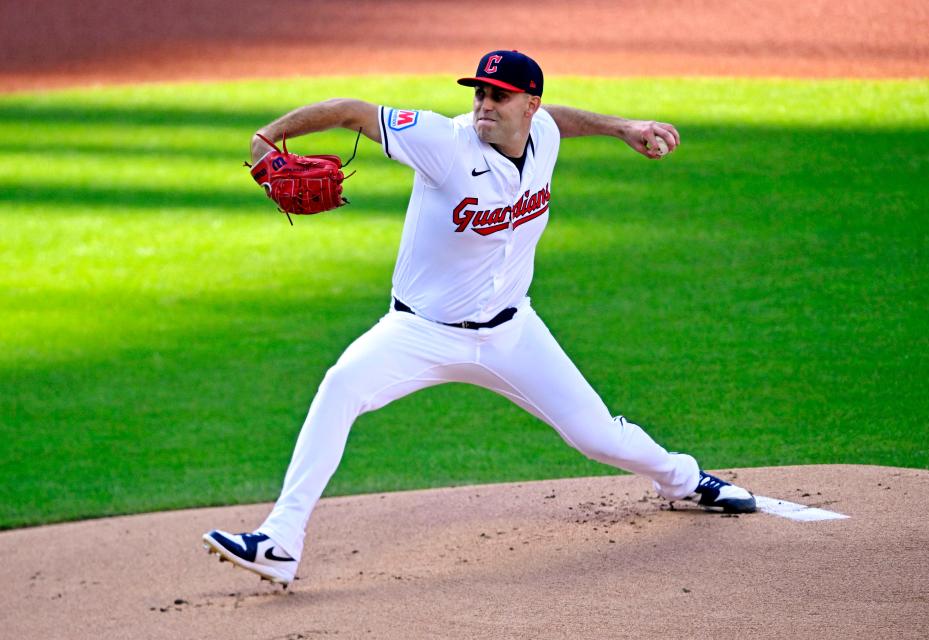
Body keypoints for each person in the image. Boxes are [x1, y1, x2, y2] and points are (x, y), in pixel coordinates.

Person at [203, 50, 756, 587]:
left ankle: (685, 480)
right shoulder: (441, 142)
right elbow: (351, 110)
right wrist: (267, 137)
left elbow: (560, 122)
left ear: (529, 105)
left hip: (512, 335)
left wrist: (621, 127)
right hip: (418, 333)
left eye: (500, 96)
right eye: (480, 93)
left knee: (599, 437)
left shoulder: (544, 136)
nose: (484, 104)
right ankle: (280, 540)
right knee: (341, 386)